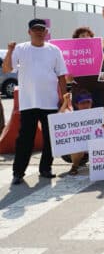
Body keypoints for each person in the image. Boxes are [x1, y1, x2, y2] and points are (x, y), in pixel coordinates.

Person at [4, 19, 68, 185]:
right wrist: (10, 51)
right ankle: (18, 172)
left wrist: (64, 96)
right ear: (29, 32)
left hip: (50, 101)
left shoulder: (54, 50)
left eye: (42, 29)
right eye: (35, 29)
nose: (39, 32)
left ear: (46, 32)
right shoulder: (20, 48)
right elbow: (6, 69)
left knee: (50, 138)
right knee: (25, 138)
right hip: (28, 102)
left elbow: (61, 75)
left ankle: (45, 168)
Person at [69, 7, 104, 116]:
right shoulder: (72, 53)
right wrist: (69, 79)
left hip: (98, 89)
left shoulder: (97, 48)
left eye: (88, 35)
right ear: (76, 39)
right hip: (80, 90)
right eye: (82, 36)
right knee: (82, 119)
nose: (86, 37)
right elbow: (67, 78)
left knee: (100, 118)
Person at [58, 90, 95, 176]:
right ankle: (74, 166)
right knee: (77, 143)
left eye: (88, 102)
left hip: (88, 154)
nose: (85, 105)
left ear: (91, 103)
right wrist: (65, 102)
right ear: (77, 104)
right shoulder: (71, 114)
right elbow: (58, 119)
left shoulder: (96, 116)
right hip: (69, 154)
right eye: (82, 103)